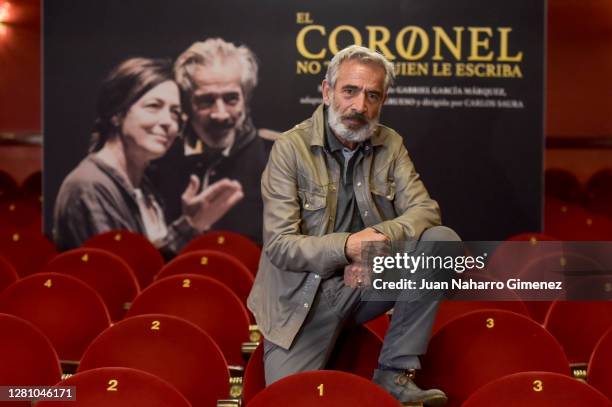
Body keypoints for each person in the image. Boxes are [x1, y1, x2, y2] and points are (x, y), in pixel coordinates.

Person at [247, 45, 460, 406]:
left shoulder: (390, 145)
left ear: (382, 100)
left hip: (367, 280)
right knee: (290, 401)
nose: (359, 106)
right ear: (327, 91)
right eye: (350, 91)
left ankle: (394, 374)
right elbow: (281, 246)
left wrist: (378, 237)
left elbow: (425, 210)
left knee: (442, 242)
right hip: (302, 302)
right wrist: (347, 246)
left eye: (372, 95)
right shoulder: (290, 148)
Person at [53, 57, 243, 257]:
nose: (168, 122)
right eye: (153, 106)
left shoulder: (145, 189)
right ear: (116, 114)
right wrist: (188, 227)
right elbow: (126, 278)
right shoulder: (88, 187)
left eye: (175, 113)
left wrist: (193, 224)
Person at [148, 38, 276, 245]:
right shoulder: (157, 162)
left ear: (245, 98)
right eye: (206, 101)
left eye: (231, 98)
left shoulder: (280, 158)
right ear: (187, 105)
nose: (220, 114)